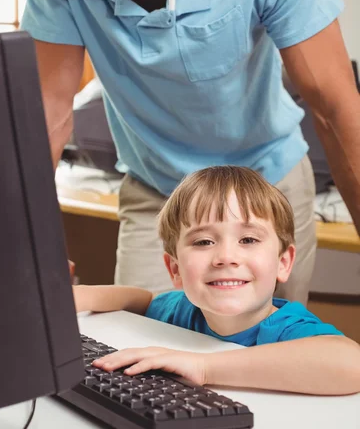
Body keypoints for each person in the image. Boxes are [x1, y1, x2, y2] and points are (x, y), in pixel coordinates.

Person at [22, 0, 360, 303]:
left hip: (267, 182)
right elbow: (49, 117)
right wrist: (36, 247)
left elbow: (335, 109)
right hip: (160, 192)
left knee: (264, 359)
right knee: (139, 355)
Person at [73, 166, 360, 395]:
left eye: (248, 239)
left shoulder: (285, 330)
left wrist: (204, 367)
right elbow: (143, 301)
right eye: (204, 241)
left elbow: (350, 362)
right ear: (175, 270)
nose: (225, 257)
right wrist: (79, 296)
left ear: (282, 263)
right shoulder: (179, 310)